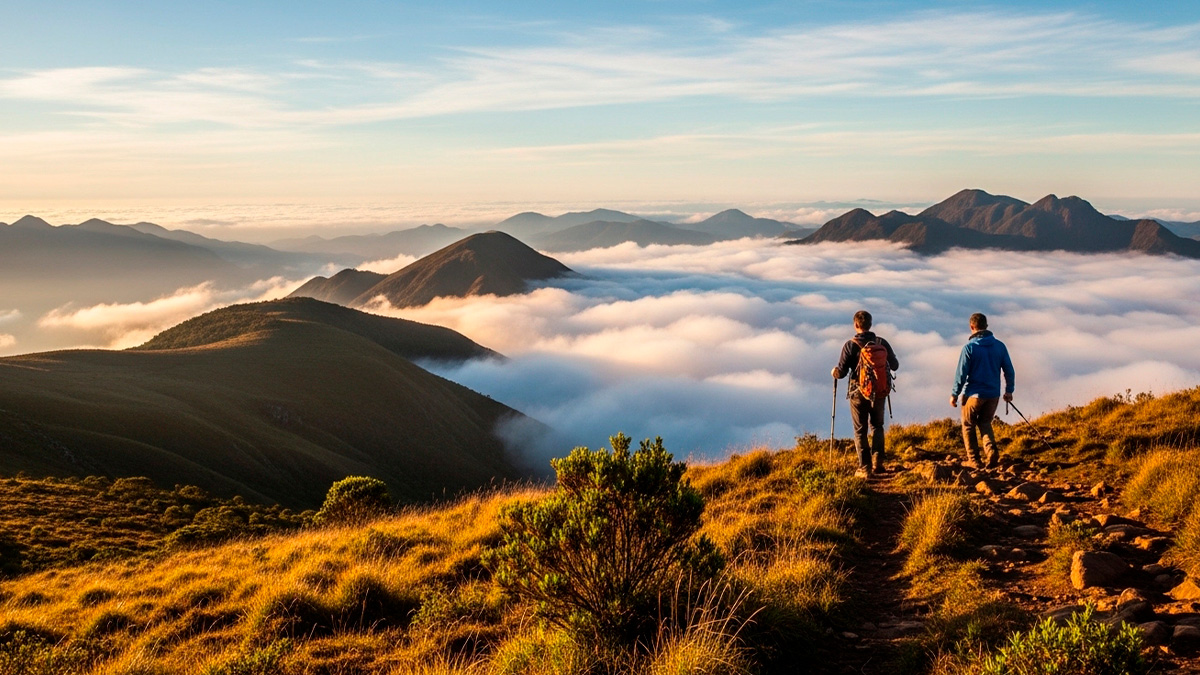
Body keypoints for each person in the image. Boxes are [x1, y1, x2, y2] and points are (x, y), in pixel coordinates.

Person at [832, 310, 899, 478]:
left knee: (860, 430)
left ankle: (864, 468)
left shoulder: (850, 345)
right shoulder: (881, 342)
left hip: (858, 392)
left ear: (856, 325)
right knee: (877, 426)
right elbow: (895, 365)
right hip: (879, 391)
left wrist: (834, 372)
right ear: (870, 324)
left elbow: (841, 372)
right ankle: (878, 463)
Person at [950, 313, 1015, 469]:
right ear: (986, 326)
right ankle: (991, 451)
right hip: (993, 394)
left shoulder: (969, 348)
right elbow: (1009, 370)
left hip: (973, 394)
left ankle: (974, 460)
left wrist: (954, 394)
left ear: (972, 327)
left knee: (967, 425)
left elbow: (961, 374)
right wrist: (1009, 391)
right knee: (985, 422)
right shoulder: (1000, 346)